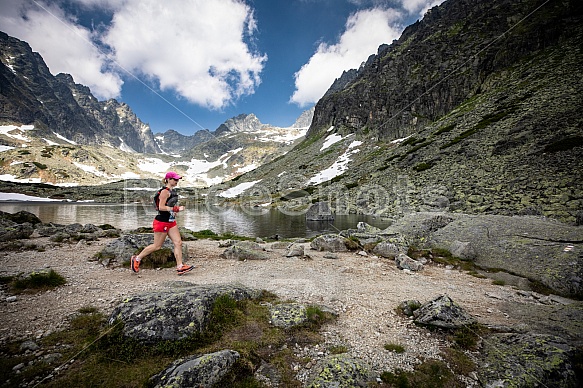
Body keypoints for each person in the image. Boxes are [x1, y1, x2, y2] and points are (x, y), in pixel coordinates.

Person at [130, 171, 194, 275]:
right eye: (175, 179)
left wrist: (173, 212)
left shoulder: (171, 191)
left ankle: (180, 266)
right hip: (162, 222)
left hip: (171, 221)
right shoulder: (165, 191)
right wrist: (176, 209)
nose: (177, 181)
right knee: (157, 246)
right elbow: (161, 207)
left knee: (178, 242)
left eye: (178, 179)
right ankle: (137, 259)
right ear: (168, 179)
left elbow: (168, 207)